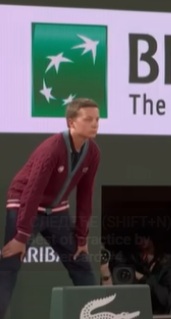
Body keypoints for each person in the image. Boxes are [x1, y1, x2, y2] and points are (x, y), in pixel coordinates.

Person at [0, 98, 101, 319]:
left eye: (97, 119)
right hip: (24, 203)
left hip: (56, 211)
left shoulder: (93, 152)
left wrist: (81, 238)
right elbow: (33, 191)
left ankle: (95, 315)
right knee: (9, 266)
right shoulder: (52, 148)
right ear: (71, 122)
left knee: (81, 263)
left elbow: (85, 195)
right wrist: (21, 235)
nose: (95, 124)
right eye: (88, 119)